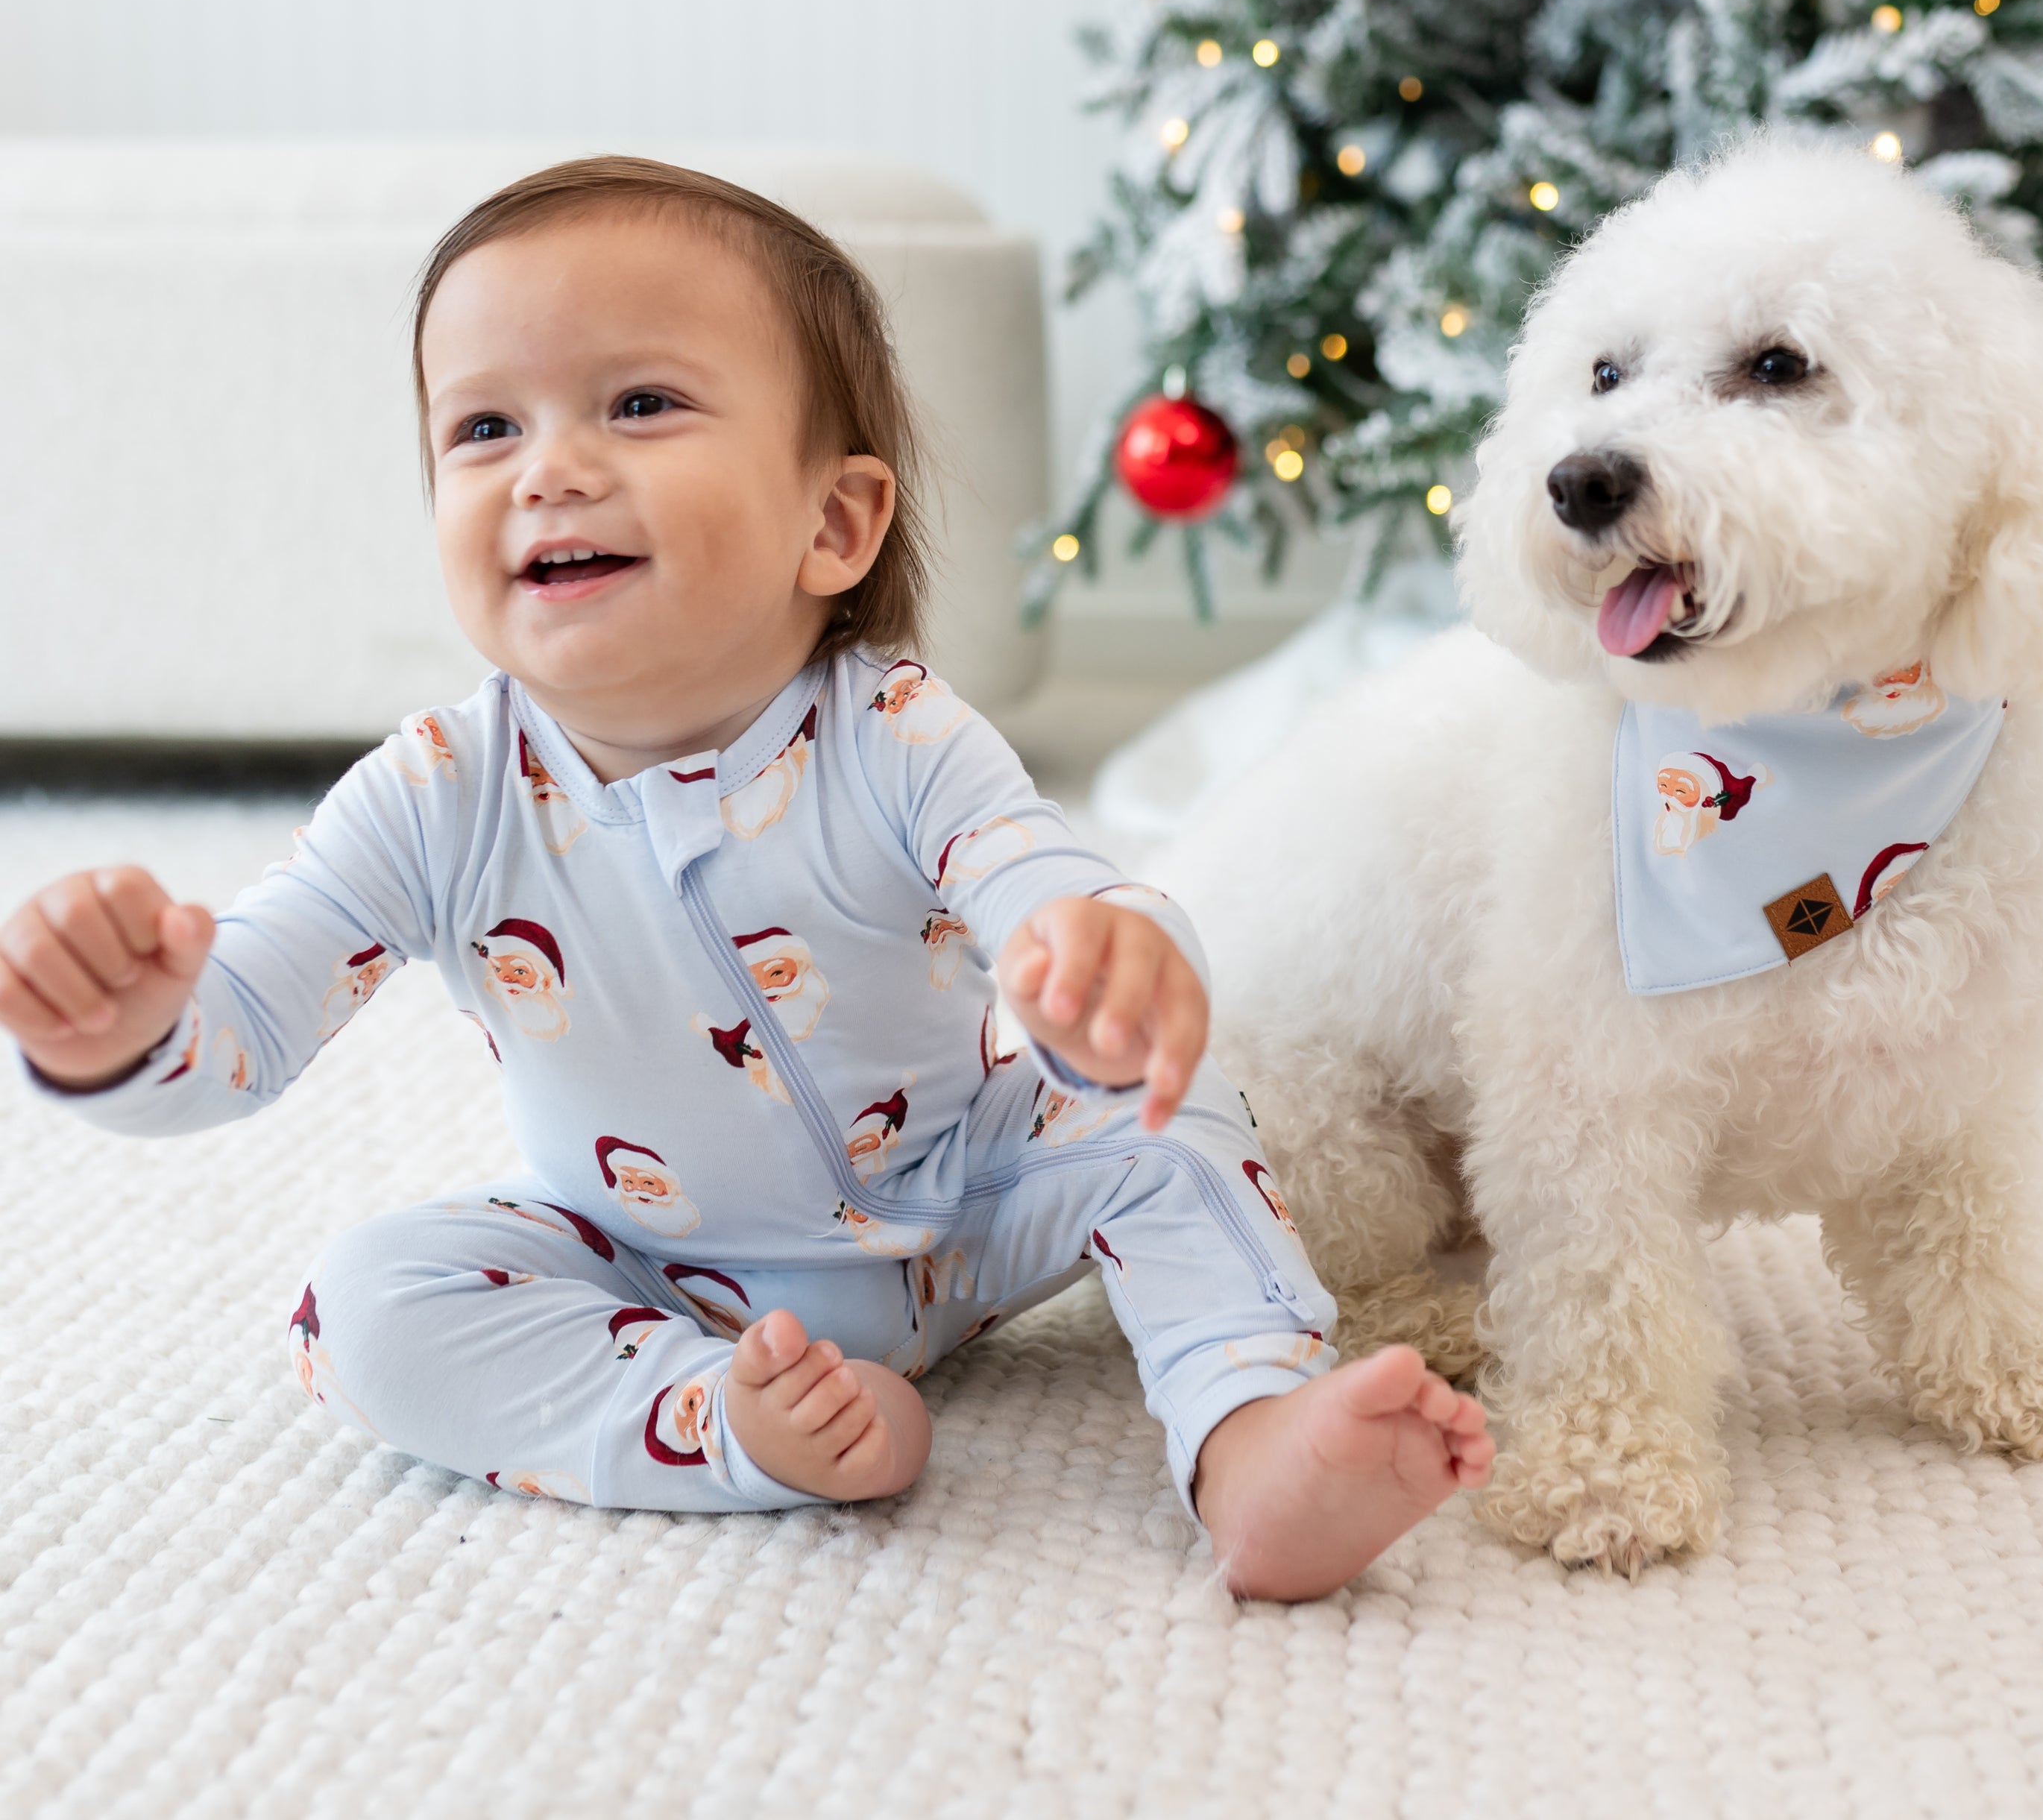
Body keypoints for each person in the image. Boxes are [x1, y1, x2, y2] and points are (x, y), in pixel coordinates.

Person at [0, 157, 1489, 1602]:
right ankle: (728, 1425)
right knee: (369, 1305)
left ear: (832, 524)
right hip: (654, 1260)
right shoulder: (437, 793)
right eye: (483, 430)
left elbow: (1036, 872)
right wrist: (122, 1031)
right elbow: (243, 1025)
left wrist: (1099, 955)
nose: (550, 470)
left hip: (973, 1198)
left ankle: (1247, 1435)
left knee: (1174, 1124)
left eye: (639, 405)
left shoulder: (893, 733)